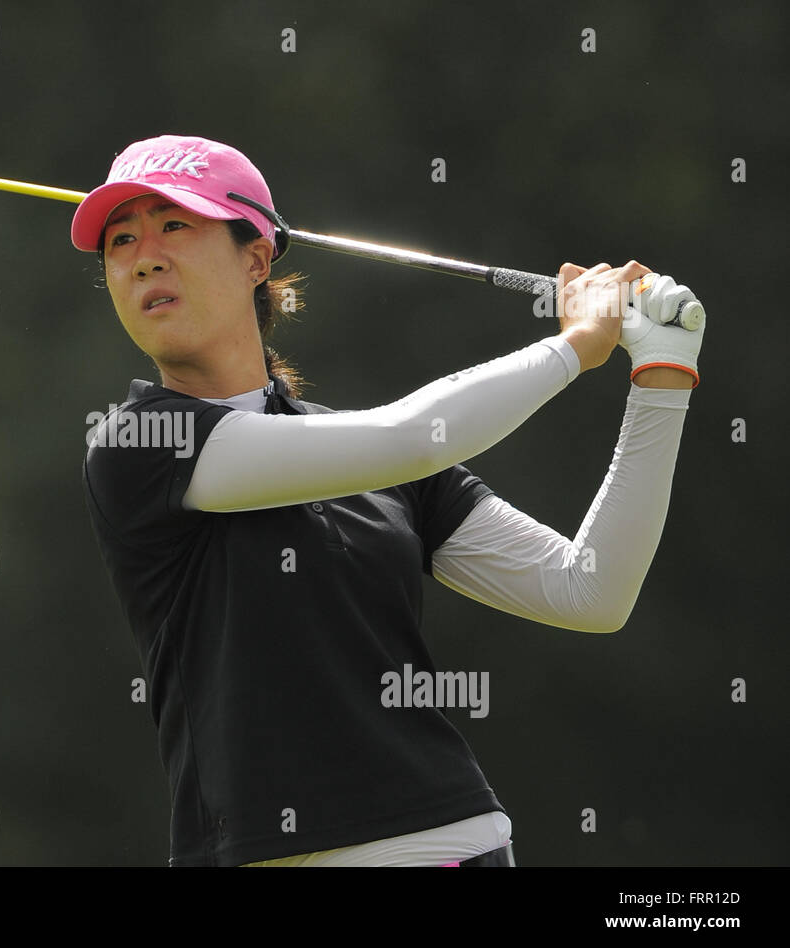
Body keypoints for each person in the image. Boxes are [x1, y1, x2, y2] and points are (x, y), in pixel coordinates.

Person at [72, 134, 703, 867]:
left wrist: (662, 377)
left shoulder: (375, 459)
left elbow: (589, 591)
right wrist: (576, 344)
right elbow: (417, 435)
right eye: (120, 241)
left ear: (256, 257)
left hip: (456, 845)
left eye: (174, 224)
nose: (144, 254)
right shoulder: (139, 444)